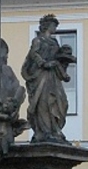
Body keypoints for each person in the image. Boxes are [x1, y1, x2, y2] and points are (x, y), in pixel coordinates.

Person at [21, 14, 76, 144]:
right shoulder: (38, 40)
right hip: (41, 76)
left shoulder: (54, 42)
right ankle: (45, 131)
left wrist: (65, 62)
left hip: (53, 76)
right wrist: (43, 63)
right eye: (53, 25)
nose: (55, 28)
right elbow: (33, 54)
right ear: (46, 26)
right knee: (44, 102)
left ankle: (55, 129)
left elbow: (58, 58)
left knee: (61, 101)